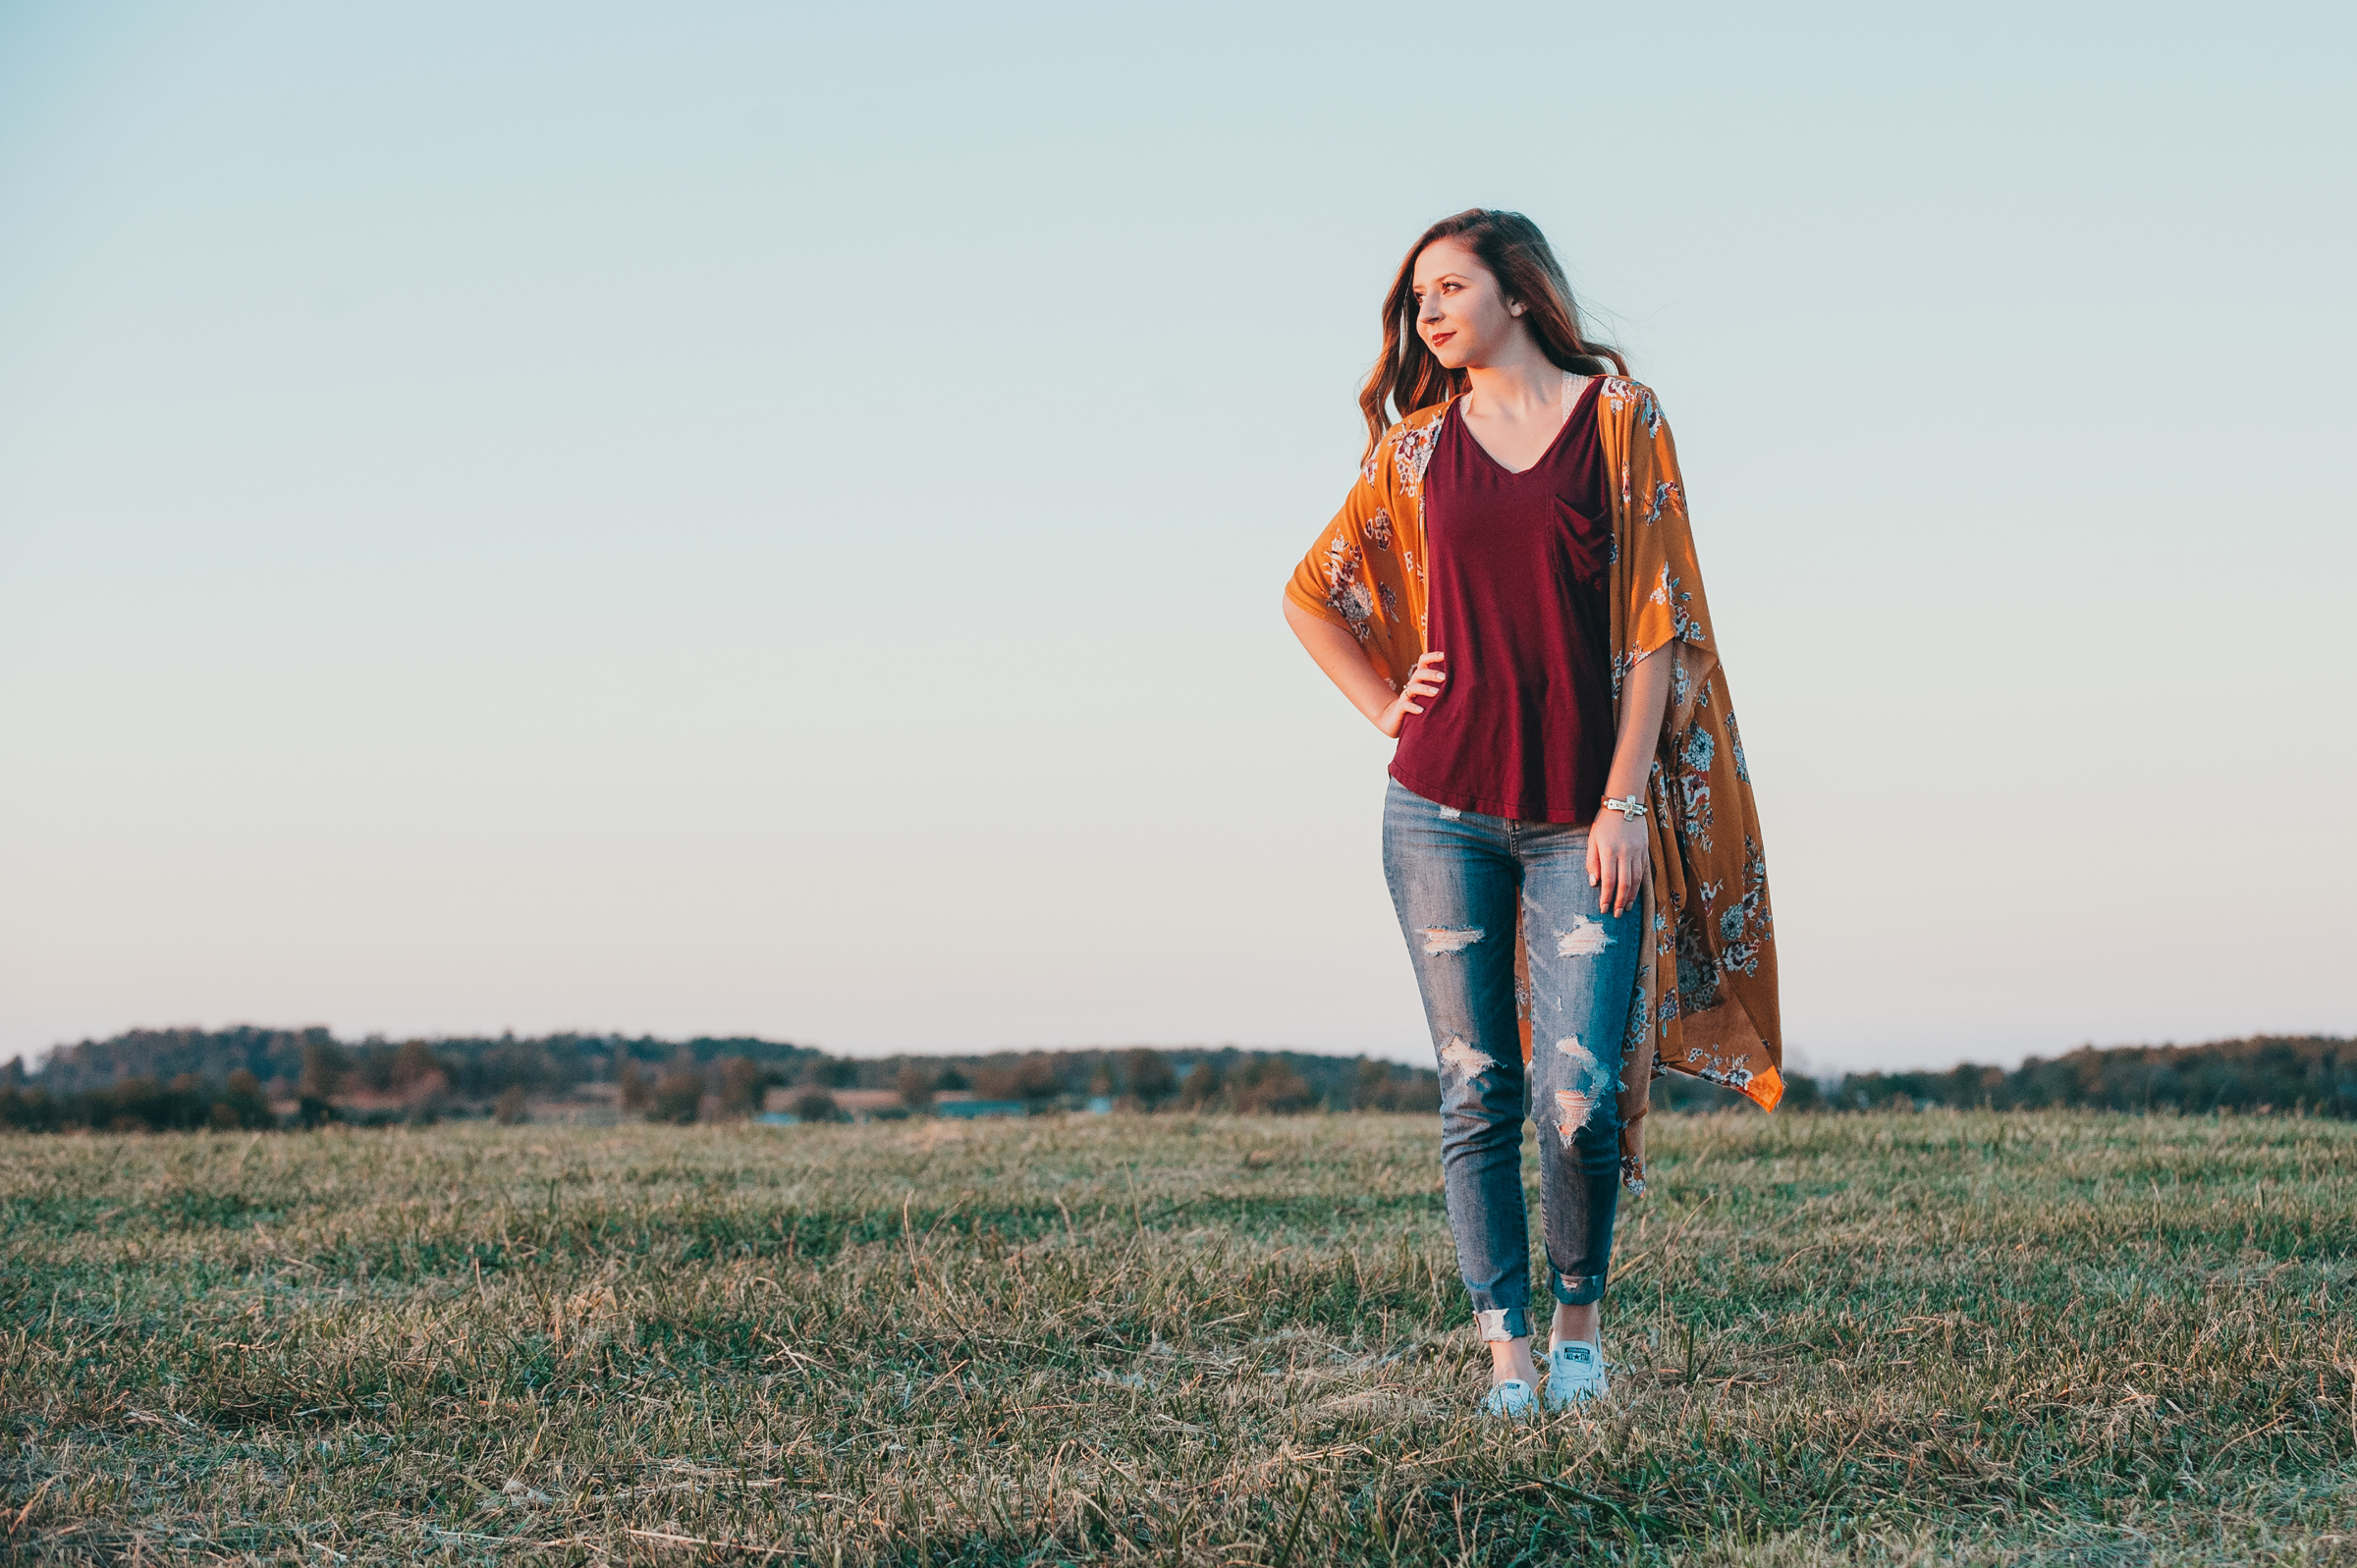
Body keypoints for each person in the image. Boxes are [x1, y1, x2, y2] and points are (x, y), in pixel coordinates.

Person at [1283, 209, 1783, 1418]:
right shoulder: (1410, 453)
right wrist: (1387, 709)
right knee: (1475, 1087)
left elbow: (1656, 619)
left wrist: (1619, 805)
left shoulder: (1620, 421)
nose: (1429, 315)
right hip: (1437, 811)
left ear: (1518, 291)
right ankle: (1504, 1353)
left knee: (1579, 1096)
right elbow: (1311, 596)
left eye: (1450, 288)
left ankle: (1577, 1331)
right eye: (1416, 301)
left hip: (1580, 820)